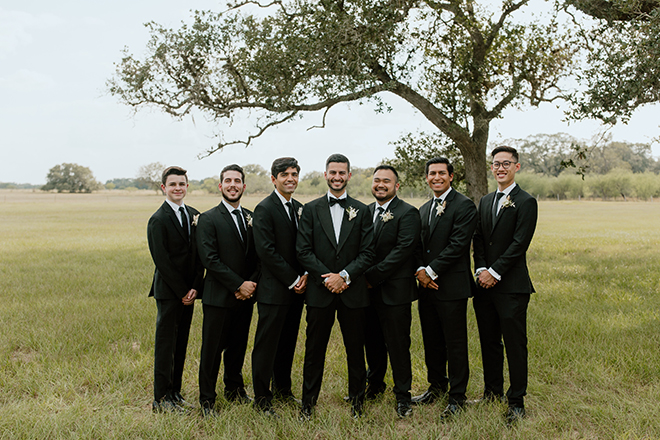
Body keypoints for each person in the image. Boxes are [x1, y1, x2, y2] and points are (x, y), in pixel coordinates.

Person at [296, 153, 374, 420]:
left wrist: (344, 276)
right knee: (314, 350)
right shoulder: (310, 209)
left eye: (342, 173)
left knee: (356, 349)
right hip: (320, 292)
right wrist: (327, 277)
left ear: (349, 175)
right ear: (325, 174)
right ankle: (308, 403)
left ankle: (358, 402)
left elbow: (368, 252)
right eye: (333, 172)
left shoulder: (362, 211)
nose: (337, 177)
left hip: (353, 292)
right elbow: (303, 251)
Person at [472, 146, 538, 424]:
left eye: (506, 163)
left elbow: (519, 243)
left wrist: (495, 271)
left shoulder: (526, 201)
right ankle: (492, 391)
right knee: (489, 341)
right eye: (496, 164)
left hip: (512, 285)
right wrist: (481, 269)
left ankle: (516, 400)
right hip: (484, 285)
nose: (500, 168)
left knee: (514, 343)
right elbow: (479, 238)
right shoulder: (486, 200)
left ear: (516, 167)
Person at [413, 157, 477, 421]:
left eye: (441, 173)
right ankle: (436, 386)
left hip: (451, 286)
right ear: (426, 178)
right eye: (432, 173)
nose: (436, 177)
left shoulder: (464, 206)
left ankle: (457, 396)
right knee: (432, 341)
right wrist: (419, 270)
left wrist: (430, 271)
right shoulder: (423, 208)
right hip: (426, 287)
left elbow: (458, 244)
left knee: (455, 343)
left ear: (451, 176)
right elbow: (415, 245)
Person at [196, 164, 259, 416]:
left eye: (238, 181)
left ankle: (234, 389)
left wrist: (250, 284)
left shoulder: (252, 217)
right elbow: (209, 259)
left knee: (237, 347)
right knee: (212, 350)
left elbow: (258, 256)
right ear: (220, 186)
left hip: (246, 297)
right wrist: (237, 284)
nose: (233, 185)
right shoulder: (208, 218)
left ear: (244, 186)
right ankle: (207, 400)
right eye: (228, 181)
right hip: (218, 297)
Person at [251, 157, 307, 417]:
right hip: (274, 290)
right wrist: (294, 279)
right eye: (284, 174)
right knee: (267, 345)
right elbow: (266, 251)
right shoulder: (264, 208)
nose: (290, 178)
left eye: (294, 174)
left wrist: (305, 274)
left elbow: (304, 247)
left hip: (297, 291)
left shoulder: (298, 207)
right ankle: (262, 398)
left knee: (287, 342)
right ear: (273, 179)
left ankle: (283, 389)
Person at [363, 165, 421, 418]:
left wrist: (370, 277)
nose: (380, 184)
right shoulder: (364, 212)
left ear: (397, 186)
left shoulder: (408, 213)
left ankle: (403, 396)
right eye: (377, 180)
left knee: (398, 344)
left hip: (395, 292)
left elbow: (402, 251)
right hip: (366, 294)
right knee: (372, 343)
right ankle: (374, 386)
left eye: (386, 181)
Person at [147, 166, 205, 413]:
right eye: (172, 185)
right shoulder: (157, 219)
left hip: (189, 293)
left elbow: (200, 255)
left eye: (181, 184)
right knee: (165, 345)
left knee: (181, 344)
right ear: (164, 188)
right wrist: (182, 290)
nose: (178, 188)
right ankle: (160, 399)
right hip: (169, 293)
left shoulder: (195, 215)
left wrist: (194, 287)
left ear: (187, 186)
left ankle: (175, 393)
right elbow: (162, 260)